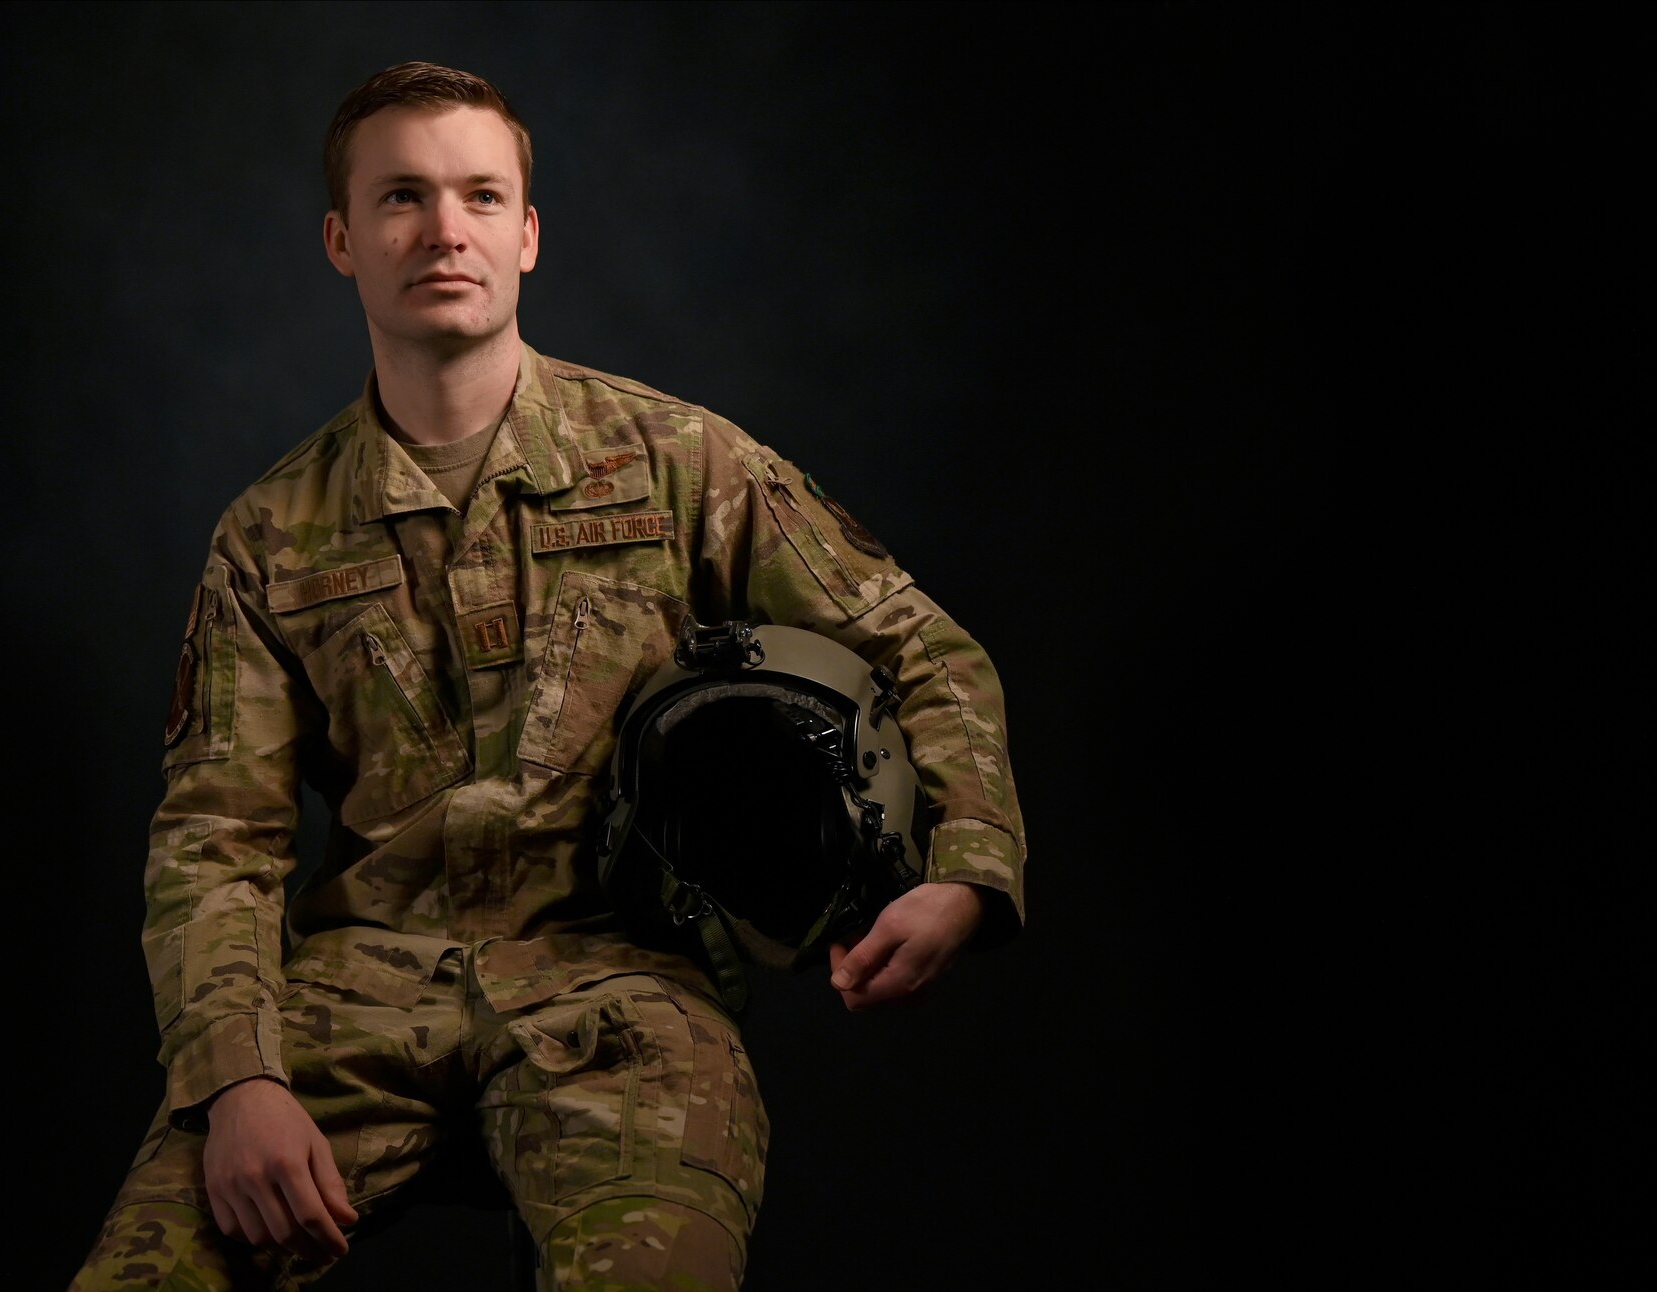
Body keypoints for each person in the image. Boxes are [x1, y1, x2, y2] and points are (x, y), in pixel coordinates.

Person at [69, 60, 1026, 1292]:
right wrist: (236, 1074)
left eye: (478, 195)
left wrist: (966, 870)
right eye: (400, 198)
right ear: (340, 241)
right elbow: (217, 835)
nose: (442, 230)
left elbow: (922, 647)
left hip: (622, 998)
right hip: (344, 1005)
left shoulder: (678, 461)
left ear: (525, 233)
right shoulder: (270, 532)